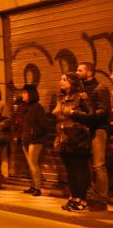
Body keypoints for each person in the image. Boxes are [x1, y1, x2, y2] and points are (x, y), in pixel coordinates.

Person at [53, 73, 93, 212]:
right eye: (61, 79)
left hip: (77, 138)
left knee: (79, 169)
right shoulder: (61, 97)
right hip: (63, 137)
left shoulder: (81, 96)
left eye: (65, 79)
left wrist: (74, 113)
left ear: (73, 82)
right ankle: (74, 196)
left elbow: (90, 115)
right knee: (69, 170)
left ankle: (83, 199)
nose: (61, 81)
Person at [76, 62, 110, 212]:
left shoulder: (101, 88)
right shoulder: (81, 89)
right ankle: (91, 197)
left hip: (98, 130)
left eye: (80, 70)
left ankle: (102, 200)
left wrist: (86, 115)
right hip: (85, 131)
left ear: (89, 72)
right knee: (88, 165)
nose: (77, 72)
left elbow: (103, 111)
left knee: (98, 165)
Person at [20, 84, 48, 197]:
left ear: (30, 95)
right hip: (27, 140)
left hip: (35, 141)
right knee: (30, 164)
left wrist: (33, 135)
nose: (23, 95)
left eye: (25, 93)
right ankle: (33, 185)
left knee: (33, 163)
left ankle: (38, 188)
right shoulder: (27, 107)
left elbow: (43, 125)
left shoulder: (38, 108)